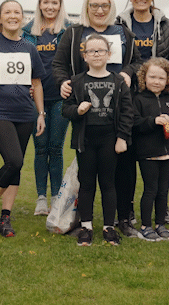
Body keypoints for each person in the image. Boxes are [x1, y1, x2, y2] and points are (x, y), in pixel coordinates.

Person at [53, 0, 141, 239]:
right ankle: (85, 223)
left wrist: (128, 73)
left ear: (111, 7)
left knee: (120, 172)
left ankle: (121, 219)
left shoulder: (124, 33)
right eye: (94, 5)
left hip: (118, 114)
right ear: (87, 7)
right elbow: (58, 64)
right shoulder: (74, 33)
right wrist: (63, 82)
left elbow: (138, 61)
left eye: (104, 5)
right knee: (88, 177)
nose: (100, 10)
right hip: (87, 115)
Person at [116, 0, 169, 224]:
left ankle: (160, 208)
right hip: (128, 96)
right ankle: (127, 208)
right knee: (126, 158)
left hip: (157, 96)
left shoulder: (165, 25)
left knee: (156, 155)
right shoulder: (119, 25)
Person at [0, 0, 46, 237]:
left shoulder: (29, 47)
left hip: (24, 112)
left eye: (17, 12)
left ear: (22, 18)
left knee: (16, 165)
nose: (13, 16)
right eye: (7, 12)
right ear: (0, 17)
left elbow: (37, 83)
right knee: (14, 160)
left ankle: (5, 217)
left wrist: (41, 113)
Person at [62, 34, 134, 246]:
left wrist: (122, 137)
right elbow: (65, 109)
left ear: (109, 54)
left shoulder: (118, 82)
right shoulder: (77, 81)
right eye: (91, 51)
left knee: (108, 183)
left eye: (100, 50)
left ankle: (109, 227)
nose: (96, 54)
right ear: (84, 56)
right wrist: (78, 110)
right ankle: (86, 227)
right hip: (85, 140)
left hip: (109, 139)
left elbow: (127, 112)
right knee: (87, 184)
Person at [21, 0, 71, 215]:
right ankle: (41, 198)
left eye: (54, 3)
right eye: (46, 2)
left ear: (60, 6)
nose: (50, 7)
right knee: (40, 148)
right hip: (35, 99)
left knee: (56, 148)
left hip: (61, 97)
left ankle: (57, 198)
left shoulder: (68, 31)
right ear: (39, 4)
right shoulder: (27, 32)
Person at [131, 58, 169, 241]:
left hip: (167, 153)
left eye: (161, 78)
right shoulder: (138, 99)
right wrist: (153, 121)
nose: (156, 81)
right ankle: (146, 226)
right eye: (152, 77)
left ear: (168, 80)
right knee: (150, 190)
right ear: (144, 78)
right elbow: (135, 123)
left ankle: (160, 224)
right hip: (147, 154)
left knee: (163, 191)